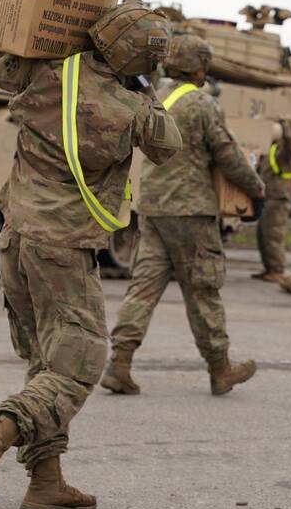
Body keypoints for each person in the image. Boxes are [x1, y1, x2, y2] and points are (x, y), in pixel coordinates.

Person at [0, 3, 181, 509]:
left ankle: (46, 484)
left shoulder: (43, 73)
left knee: (46, 365)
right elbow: (171, 144)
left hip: (16, 240)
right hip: (64, 249)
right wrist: (143, 88)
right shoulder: (131, 107)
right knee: (79, 366)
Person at [101, 33, 266, 397]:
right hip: (191, 210)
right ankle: (220, 368)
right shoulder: (201, 104)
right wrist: (255, 186)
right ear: (200, 69)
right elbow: (227, 154)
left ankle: (120, 363)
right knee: (203, 289)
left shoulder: (157, 96)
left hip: (153, 207)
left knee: (143, 289)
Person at [252, 116, 291, 282]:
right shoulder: (273, 148)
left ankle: (277, 270)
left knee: (274, 235)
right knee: (263, 235)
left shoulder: (287, 151)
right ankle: (269, 268)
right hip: (269, 197)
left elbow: (290, 143)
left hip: (279, 198)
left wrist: (284, 125)